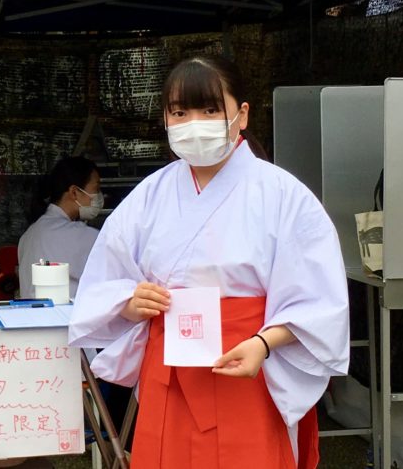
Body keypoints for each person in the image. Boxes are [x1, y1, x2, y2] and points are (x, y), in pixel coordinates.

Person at [68, 55, 349, 469]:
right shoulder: (150, 195)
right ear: (165, 119)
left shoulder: (283, 195)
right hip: (169, 375)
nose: (194, 122)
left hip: (246, 366)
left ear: (242, 114)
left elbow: (318, 299)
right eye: (180, 112)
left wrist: (264, 343)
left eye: (210, 109)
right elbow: (106, 281)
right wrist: (130, 301)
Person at [17, 156, 103, 299]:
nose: (99, 196)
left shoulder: (29, 234)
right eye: (96, 189)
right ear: (74, 192)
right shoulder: (82, 236)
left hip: (31, 318)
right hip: (63, 318)